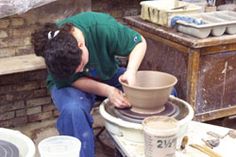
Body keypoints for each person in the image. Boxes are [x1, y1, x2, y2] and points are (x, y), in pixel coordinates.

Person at [31, 11, 147, 157]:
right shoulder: (53, 53)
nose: (79, 70)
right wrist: (108, 91)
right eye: (75, 70)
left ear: (81, 44)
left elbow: (139, 43)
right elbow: (73, 79)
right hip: (73, 85)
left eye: (80, 65)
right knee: (73, 110)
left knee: (159, 94)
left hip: (105, 72)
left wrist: (130, 72)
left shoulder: (101, 27)